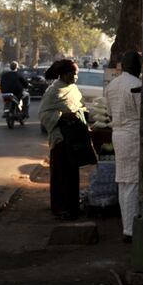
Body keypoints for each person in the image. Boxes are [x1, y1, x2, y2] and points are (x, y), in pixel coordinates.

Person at [38, 59, 87, 220]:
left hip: (73, 137)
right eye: (73, 74)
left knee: (72, 173)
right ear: (65, 74)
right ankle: (60, 209)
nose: (76, 77)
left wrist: (81, 113)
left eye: (77, 74)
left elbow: (80, 105)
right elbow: (43, 114)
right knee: (60, 174)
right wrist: (63, 116)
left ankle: (73, 206)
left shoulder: (73, 88)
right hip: (60, 138)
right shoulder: (53, 91)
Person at [105, 51, 143, 241]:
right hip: (133, 136)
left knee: (124, 182)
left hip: (118, 135)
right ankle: (131, 229)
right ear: (136, 66)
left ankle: (128, 226)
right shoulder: (137, 84)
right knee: (133, 183)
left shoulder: (112, 85)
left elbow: (109, 113)